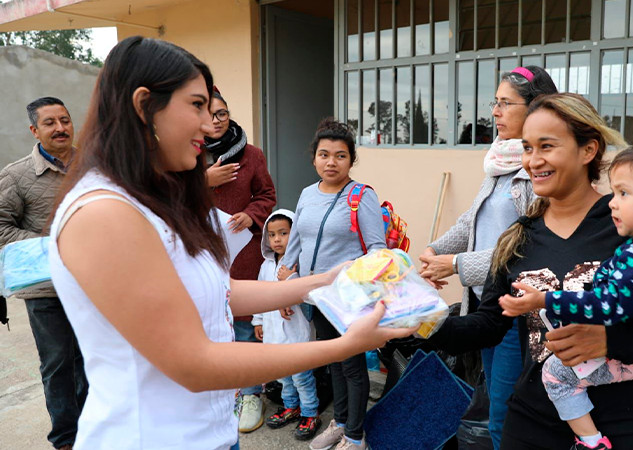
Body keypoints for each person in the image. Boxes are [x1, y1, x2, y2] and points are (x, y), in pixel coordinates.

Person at [47, 36, 414, 450]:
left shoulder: (157, 198)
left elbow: (221, 292)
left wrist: (323, 281)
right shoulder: (103, 214)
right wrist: (343, 346)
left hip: (211, 435)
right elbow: (195, 365)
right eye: (197, 106)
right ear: (144, 105)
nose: (210, 125)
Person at [427, 93, 633, 450]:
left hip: (626, 428)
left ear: (588, 150)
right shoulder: (517, 238)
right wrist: (419, 320)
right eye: (527, 148)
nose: (533, 161)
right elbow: (488, 325)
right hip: (531, 426)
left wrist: (611, 341)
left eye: (547, 146)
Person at [500, 142, 633, 450]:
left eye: (623, 194)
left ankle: (592, 442)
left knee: (556, 374)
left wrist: (544, 300)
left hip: (631, 359)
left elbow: (605, 306)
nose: (612, 204)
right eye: (614, 193)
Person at [419, 65, 557, 449]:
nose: (495, 111)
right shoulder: (500, 161)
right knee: (496, 405)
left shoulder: (538, 173)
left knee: (505, 417)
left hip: (516, 311)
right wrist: (435, 250)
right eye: (495, 102)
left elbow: (527, 250)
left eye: (505, 103)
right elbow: (471, 219)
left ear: (535, 108)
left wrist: (457, 265)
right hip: (486, 305)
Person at [280, 117, 386, 450]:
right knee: (334, 363)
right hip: (315, 297)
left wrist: (351, 276)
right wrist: (285, 286)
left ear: (351, 160)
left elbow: (378, 249)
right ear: (314, 158)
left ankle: (355, 436)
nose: (331, 162)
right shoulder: (306, 194)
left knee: (351, 366)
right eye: (324, 155)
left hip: (348, 298)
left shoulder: (361, 196)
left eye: (340, 155)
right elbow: (295, 244)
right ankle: (340, 423)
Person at [0, 96, 87, 450]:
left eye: (64, 120)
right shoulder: (15, 175)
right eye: (49, 123)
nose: (60, 128)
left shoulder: (95, 165)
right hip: (44, 288)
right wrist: (53, 245)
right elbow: (1, 228)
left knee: (93, 358)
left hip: (92, 284)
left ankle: (94, 431)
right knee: (58, 365)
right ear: (34, 131)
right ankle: (66, 439)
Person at [204, 87, 277, 433]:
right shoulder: (185, 154)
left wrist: (251, 215)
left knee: (245, 326)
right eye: (209, 114)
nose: (217, 120)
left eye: (222, 113)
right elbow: (165, 194)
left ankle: (250, 394)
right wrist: (205, 180)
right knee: (211, 322)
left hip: (243, 253)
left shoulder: (252, 154)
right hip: (203, 251)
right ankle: (221, 390)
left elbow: (267, 194)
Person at [252, 209, 322, 441]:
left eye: (283, 233)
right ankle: (291, 406)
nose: (277, 240)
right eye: (272, 235)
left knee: (301, 376)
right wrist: (258, 320)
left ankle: (310, 413)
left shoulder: (300, 263)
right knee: (283, 376)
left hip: (296, 331)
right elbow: (259, 295)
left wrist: (291, 282)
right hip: (274, 333)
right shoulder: (265, 266)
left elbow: (308, 293)